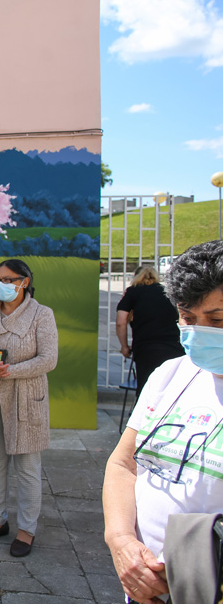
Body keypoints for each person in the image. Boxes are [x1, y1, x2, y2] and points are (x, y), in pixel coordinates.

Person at [103, 240, 223, 604]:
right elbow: (124, 464)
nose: (199, 331)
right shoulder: (170, 374)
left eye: (217, 319)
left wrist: (184, 570)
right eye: (188, 318)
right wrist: (121, 542)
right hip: (142, 586)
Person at [0, 259, 58, 558]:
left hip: (25, 400)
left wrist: (8, 371)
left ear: (24, 282)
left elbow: (48, 359)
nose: (1, 285)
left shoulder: (41, 315)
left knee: (27, 467)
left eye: (8, 279)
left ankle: (26, 529)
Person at [116, 266, 185, 394]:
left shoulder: (133, 292)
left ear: (136, 277)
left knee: (146, 388)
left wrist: (124, 346)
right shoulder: (168, 292)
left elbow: (121, 322)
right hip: (174, 348)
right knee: (172, 388)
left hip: (146, 350)